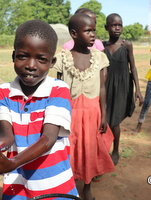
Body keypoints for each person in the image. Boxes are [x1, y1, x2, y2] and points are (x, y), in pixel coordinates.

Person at [0, 20, 79, 199]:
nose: (31, 65)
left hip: (54, 183)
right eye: (23, 56)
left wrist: (12, 162)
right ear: (13, 55)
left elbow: (48, 138)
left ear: (52, 62)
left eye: (41, 59)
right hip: (17, 184)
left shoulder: (58, 90)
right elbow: (5, 136)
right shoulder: (2, 93)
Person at [54, 13, 115, 200]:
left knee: (89, 149)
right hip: (69, 113)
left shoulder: (100, 57)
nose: (93, 35)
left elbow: (102, 88)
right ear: (74, 33)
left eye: (94, 30)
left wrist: (104, 115)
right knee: (68, 149)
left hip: (92, 113)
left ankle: (87, 186)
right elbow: (57, 88)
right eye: (87, 31)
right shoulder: (63, 58)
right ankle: (68, 184)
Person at [103, 13, 143, 165]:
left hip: (122, 87)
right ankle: (102, 150)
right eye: (113, 25)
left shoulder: (127, 45)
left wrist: (137, 90)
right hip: (105, 87)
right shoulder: (102, 46)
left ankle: (115, 150)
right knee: (104, 119)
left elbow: (132, 67)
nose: (117, 28)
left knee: (115, 121)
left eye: (119, 25)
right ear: (107, 27)